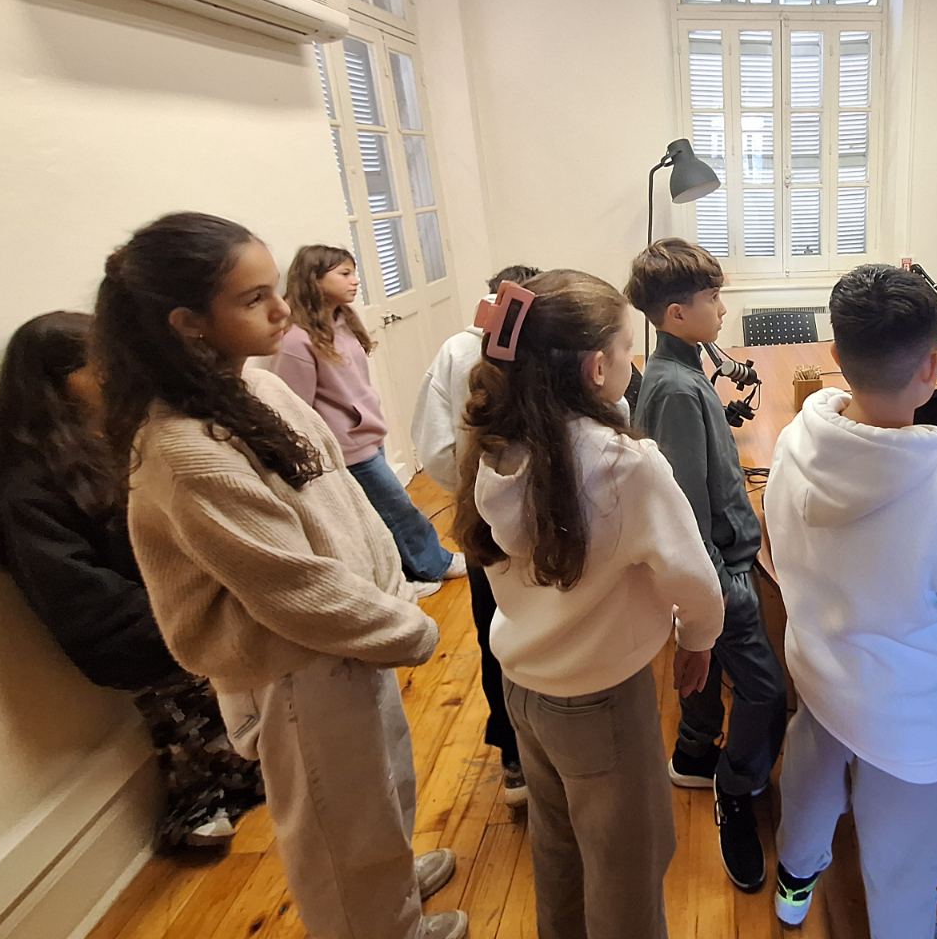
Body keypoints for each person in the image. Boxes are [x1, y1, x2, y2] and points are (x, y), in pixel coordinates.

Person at [92, 212, 465, 939]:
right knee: (335, 825)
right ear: (189, 324)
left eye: (274, 289)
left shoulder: (257, 390)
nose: (281, 309)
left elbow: (345, 498)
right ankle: (377, 924)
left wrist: (389, 594)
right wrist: (405, 627)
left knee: (380, 787)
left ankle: (387, 889)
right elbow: (289, 586)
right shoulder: (182, 450)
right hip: (297, 663)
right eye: (252, 298)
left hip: (349, 640)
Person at [456, 269, 724, 939]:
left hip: (524, 689)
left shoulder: (497, 443)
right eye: (628, 348)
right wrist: (697, 639)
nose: (633, 363)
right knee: (629, 866)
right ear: (598, 368)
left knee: (560, 851)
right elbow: (694, 580)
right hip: (600, 702)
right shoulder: (625, 466)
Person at [765, 264, 937, 939]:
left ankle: (794, 888)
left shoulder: (793, 443)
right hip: (910, 723)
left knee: (808, 792)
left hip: (819, 676)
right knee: (903, 870)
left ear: (835, 355)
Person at [0, 311, 263, 850]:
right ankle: (194, 811)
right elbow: (78, 596)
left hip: (163, 606)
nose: (116, 376)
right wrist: (178, 613)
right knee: (188, 715)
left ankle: (235, 781)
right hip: (129, 627)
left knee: (225, 706)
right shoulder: (28, 488)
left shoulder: (104, 440)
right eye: (101, 366)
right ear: (58, 382)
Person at [625, 238, 787, 893]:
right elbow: (685, 512)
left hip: (720, 563)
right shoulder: (673, 390)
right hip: (723, 573)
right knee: (766, 691)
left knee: (708, 668)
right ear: (676, 314)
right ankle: (736, 787)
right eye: (714, 298)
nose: (722, 308)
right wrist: (721, 594)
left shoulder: (683, 372)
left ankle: (694, 753)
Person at [411, 261, 540, 808]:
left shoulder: (457, 353)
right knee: (512, 627)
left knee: (499, 628)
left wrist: (472, 491)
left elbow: (436, 448)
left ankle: (519, 755)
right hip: (526, 519)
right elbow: (438, 445)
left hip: (486, 517)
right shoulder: (464, 353)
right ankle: (522, 750)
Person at [274, 244, 463, 594]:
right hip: (345, 446)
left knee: (379, 513)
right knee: (398, 508)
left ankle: (406, 574)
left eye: (354, 272)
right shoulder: (297, 342)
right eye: (344, 274)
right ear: (315, 279)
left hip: (366, 434)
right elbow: (294, 407)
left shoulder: (342, 322)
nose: (355, 281)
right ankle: (433, 565)